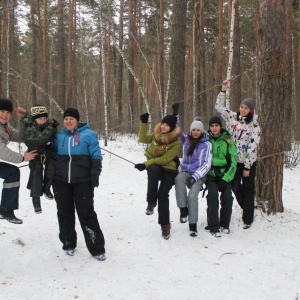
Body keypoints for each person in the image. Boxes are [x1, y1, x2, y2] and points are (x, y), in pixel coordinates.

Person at [52, 108, 106, 261]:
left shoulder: (89, 135)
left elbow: (96, 156)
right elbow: (51, 154)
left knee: (86, 213)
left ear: (77, 120)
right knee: (64, 213)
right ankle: (68, 243)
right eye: (66, 119)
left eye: (71, 119)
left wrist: (95, 175)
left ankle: (97, 248)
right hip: (61, 181)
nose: (68, 121)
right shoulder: (59, 136)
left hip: (83, 181)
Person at [215, 80, 261, 229]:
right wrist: (223, 91)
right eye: (241, 106)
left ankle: (247, 219)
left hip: (247, 163)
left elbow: (253, 146)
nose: (242, 109)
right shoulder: (233, 117)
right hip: (234, 162)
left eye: (246, 108)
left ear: (251, 110)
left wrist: (247, 166)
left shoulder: (254, 125)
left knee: (248, 189)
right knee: (235, 187)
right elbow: (219, 107)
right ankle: (247, 207)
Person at [135, 112, 180, 240]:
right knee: (153, 169)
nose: (163, 127)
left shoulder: (175, 142)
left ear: (171, 127)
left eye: (167, 125)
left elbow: (165, 159)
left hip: (169, 170)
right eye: (163, 124)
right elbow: (142, 139)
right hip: (156, 167)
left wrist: (145, 164)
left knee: (163, 194)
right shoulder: (156, 136)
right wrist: (144, 123)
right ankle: (151, 202)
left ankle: (165, 224)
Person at [174, 110, 212, 237]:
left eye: (198, 130)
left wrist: (196, 177)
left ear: (202, 131)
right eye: (193, 129)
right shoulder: (186, 140)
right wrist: (176, 115)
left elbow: (207, 163)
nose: (195, 132)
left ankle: (193, 225)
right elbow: (178, 130)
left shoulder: (206, 144)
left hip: (199, 175)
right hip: (185, 171)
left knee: (192, 196)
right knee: (178, 179)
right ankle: (183, 210)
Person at [0, 98, 37, 224]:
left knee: (12, 173)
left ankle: (6, 210)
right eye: (2, 111)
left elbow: (21, 137)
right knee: (12, 172)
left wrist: (23, 119)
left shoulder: (6, 127)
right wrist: (22, 157)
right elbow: (2, 151)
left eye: (8, 112)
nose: (5, 115)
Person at [20, 105, 58, 214]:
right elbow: (40, 138)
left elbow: (50, 137)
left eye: (45, 118)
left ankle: (47, 186)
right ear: (34, 119)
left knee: (52, 166)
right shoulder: (30, 127)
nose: (43, 120)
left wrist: (53, 127)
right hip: (34, 153)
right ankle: (36, 198)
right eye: (40, 118)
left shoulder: (45, 125)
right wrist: (51, 128)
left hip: (46, 152)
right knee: (37, 173)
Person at [205, 116, 237, 237]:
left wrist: (226, 178)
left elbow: (233, 161)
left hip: (224, 174)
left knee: (227, 196)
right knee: (212, 194)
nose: (214, 128)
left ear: (220, 126)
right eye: (212, 126)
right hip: (211, 173)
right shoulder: (206, 140)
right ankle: (213, 225)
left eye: (216, 125)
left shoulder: (228, 140)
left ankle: (225, 224)